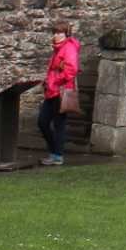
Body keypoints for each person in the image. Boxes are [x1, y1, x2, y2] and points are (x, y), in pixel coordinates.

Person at [38, 20, 79, 166]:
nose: (56, 35)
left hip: (60, 91)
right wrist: (48, 81)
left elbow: (71, 70)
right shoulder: (58, 48)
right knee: (42, 122)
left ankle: (57, 155)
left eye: (59, 33)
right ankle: (54, 152)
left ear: (66, 34)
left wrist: (55, 81)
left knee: (58, 123)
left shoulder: (69, 47)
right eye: (54, 32)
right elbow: (54, 69)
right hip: (52, 91)